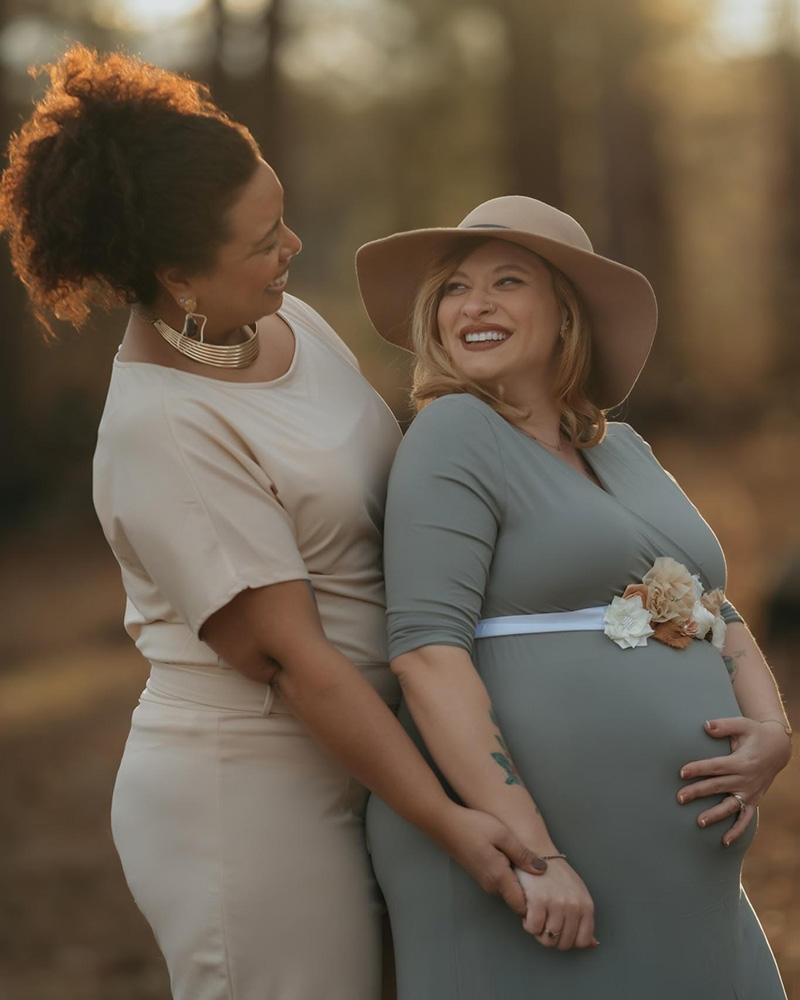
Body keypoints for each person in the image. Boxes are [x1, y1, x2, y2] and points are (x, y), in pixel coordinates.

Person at [0, 49, 548, 1000]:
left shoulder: (292, 325)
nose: (290, 246)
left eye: (282, 214)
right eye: (262, 240)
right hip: (250, 799)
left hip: (381, 765)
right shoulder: (163, 429)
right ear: (177, 274)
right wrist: (446, 816)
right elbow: (297, 661)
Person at [356, 195, 792, 999]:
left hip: (677, 875)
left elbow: (704, 604)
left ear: (567, 316)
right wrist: (536, 856)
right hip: (548, 874)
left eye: (507, 281)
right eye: (455, 287)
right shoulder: (453, 434)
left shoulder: (619, 446)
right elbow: (426, 655)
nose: (474, 305)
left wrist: (771, 727)